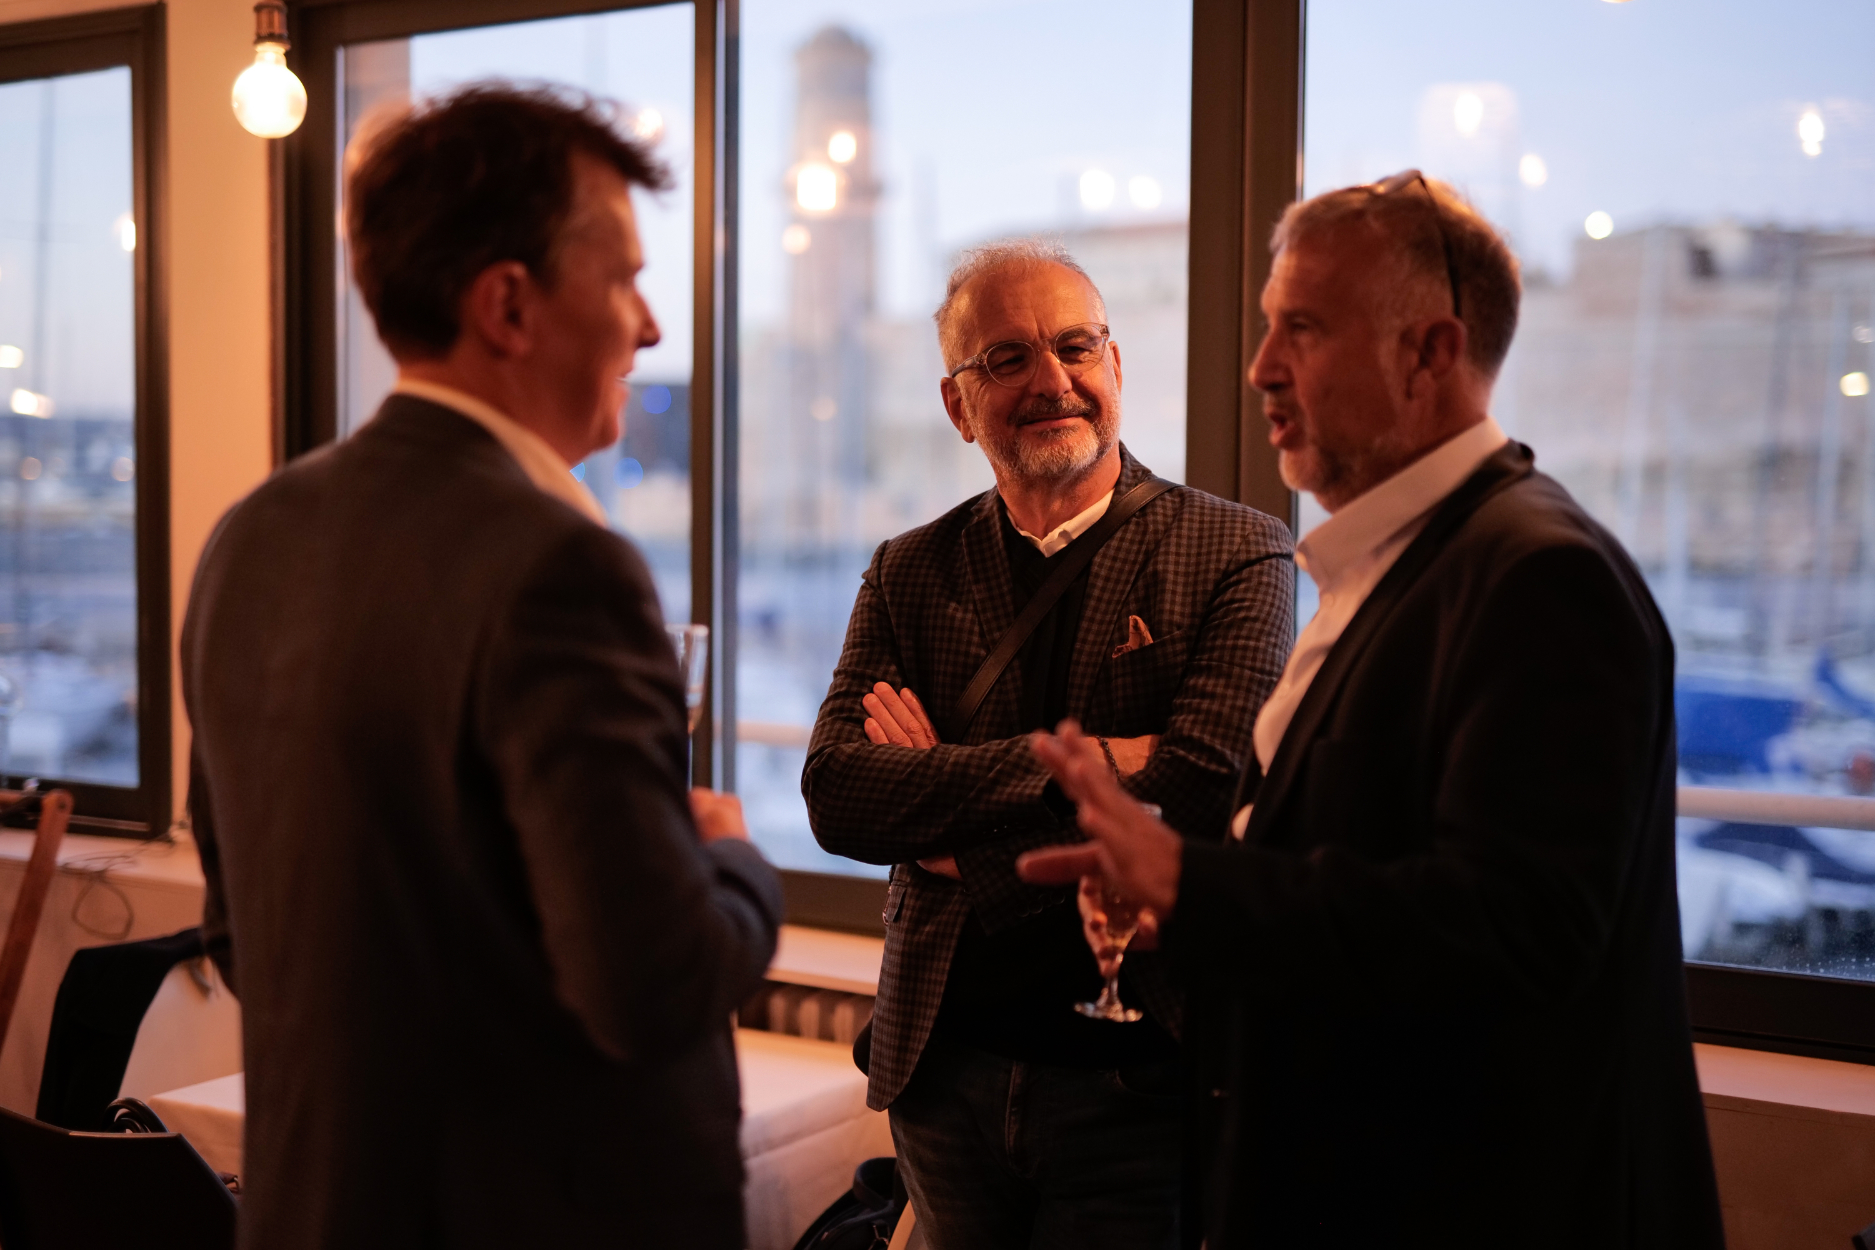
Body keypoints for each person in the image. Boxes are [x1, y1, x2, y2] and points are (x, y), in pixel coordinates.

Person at [1019, 172, 1724, 1248]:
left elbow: (1512, 933)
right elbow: (1358, 869)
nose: (1260, 366)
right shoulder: (1394, 564)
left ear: (1429, 354)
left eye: (1301, 328)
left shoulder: (1542, 578)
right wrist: (1194, 910)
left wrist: (1196, 880)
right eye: (1267, 326)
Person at [181, 87, 782, 1250]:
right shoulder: (562, 565)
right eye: (625, 280)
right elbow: (651, 984)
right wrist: (732, 859)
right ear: (508, 305)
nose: (652, 327)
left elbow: (243, 937)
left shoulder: (249, 537)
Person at [803, 238, 1294, 1249]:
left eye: (1075, 347)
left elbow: (1202, 790)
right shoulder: (909, 569)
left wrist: (949, 836)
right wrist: (1103, 759)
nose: (1051, 380)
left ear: (1114, 365)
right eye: (1008, 358)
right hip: (942, 1070)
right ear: (958, 404)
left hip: (1140, 1078)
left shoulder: (1240, 551)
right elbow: (839, 793)